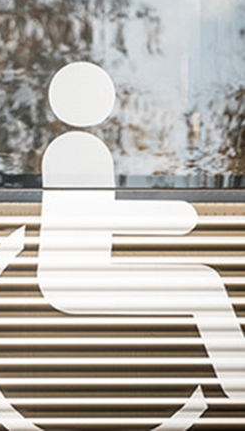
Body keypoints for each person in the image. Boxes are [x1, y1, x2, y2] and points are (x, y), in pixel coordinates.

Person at [39, 62, 245, 400]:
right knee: (203, 283)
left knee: (202, 280)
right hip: (77, 279)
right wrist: (179, 217)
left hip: (84, 272)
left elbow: (96, 217)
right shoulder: (81, 153)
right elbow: (95, 219)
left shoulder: (72, 149)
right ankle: (237, 389)